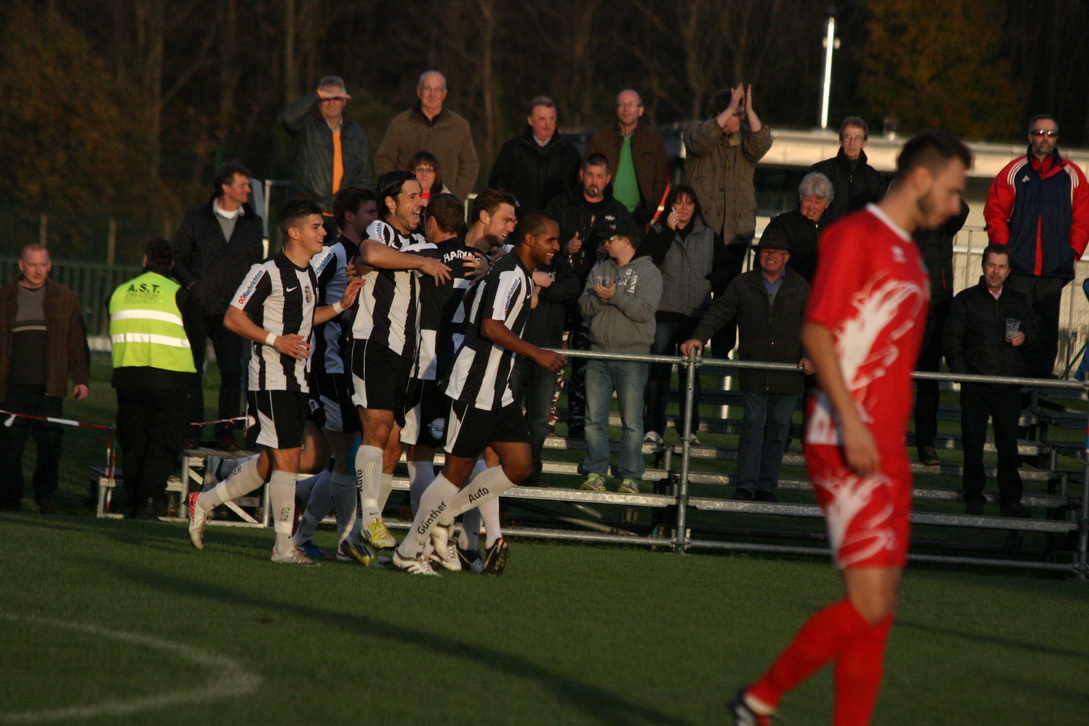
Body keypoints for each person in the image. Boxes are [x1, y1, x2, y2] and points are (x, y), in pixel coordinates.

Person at [729, 130, 972, 726]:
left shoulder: (913, 255)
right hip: (846, 438)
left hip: (884, 446)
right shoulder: (856, 235)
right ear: (920, 179)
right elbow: (817, 332)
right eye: (952, 188)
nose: (956, 204)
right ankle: (758, 699)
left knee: (880, 610)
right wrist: (856, 425)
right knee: (868, 601)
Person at [187, 198, 364, 564]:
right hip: (270, 378)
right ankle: (284, 547)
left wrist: (341, 306)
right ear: (294, 232)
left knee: (271, 462)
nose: (323, 233)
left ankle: (204, 501)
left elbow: (303, 318)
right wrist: (274, 340)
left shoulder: (308, 273)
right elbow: (234, 318)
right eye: (316, 227)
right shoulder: (265, 270)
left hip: (299, 379)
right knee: (288, 457)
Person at [392, 212, 566, 575]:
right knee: (455, 472)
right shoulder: (508, 273)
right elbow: (490, 326)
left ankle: (447, 515)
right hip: (475, 386)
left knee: (519, 466)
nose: (557, 247)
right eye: (551, 240)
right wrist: (537, 353)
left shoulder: (514, 272)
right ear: (530, 240)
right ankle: (409, 550)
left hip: (497, 390)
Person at [343, 171, 451, 553]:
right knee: (377, 430)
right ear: (391, 202)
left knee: (391, 443)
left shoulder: (418, 242)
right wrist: (419, 264)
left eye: (421, 197)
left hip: (404, 351)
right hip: (371, 342)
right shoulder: (379, 229)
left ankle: (356, 534)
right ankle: (371, 519)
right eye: (412, 196)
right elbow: (369, 255)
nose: (420, 202)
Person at [681, 237, 811, 502]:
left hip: (788, 374)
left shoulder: (800, 286)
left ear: (787, 256)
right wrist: (700, 337)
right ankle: (746, 484)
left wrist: (810, 356)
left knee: (778, 431)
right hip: (754, 369)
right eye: (766, 251)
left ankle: (767, 487)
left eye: (777, 251)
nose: (770, 256)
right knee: (752, 428)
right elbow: (720, 312)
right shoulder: (743, 283)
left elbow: (813, 324)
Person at [288, 186, 379, 562]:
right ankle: (343, 540)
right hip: (331, 365)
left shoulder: (369, 254)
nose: (376, 217)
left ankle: (322, 535)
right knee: (344, 455)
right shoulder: (335, 253)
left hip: (355, 364)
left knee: (340, 456)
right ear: (350, 217)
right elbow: (305, 287)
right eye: (370, 211)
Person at [984, 114, 1089, 377]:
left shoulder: (1072, 175)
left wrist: (1072, 253)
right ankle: (1011, 383)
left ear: (1057, 139)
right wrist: (1003, 251)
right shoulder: (1014, 171)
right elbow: (995, 212)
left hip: (1053, 271)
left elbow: (1083, 218)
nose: (1045, 138)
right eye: (1040, 133)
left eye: (1051, 134)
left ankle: (1039, 386)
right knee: (1013, 326)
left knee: (1045, 332)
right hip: (1018, 268)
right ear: (1030, 136)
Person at [172, 161, 264, 449]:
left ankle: (226, 432)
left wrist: (247, 300)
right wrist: (194, 287)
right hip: (199, 307)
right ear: (226, 187)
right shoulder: (196, 218)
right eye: (242, 184)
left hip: (232, 311)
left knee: (232, 373)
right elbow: (178, 256)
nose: (248, 189)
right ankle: (192, 429)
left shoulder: (253, 222)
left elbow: (256, 265)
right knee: (193, 371)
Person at [545, 154, 637, 438]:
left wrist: (608, 253)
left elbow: (632, 251)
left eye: (600, 176)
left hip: (595, 300)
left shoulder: (618, 212)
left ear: (608, 179)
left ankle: (577, 421)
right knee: (554, 358)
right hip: (559, 294)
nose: (594, 181)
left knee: (585, 364)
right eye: (590, 175)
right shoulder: (560, 204)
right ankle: (546, 417)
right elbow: (539, 239)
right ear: (581, 175)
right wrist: (563, 246)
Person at [108, 240, 200, 519]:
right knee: (162, 443)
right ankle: (148, 501)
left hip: (127, 379)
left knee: (134, 442)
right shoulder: (180, 295)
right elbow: (196, 341)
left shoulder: (119, 292)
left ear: (145, 260)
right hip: (169, 381)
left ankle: (133, 500)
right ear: (171, 264)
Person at [943, 244, 1036, 518]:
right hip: (976, 384)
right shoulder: (965, 299)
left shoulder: (1019, 301)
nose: (995, 272)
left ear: (1008, 270)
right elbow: (951, 340)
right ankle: (974, 495)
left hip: (1008, 384)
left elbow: (1034, 332)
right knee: (973, 444)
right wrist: (964, 374)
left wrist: (1025, 338)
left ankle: (1011, 499)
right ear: (983, 266)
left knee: (1008, 445)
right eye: (991, 265)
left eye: (1001, 267)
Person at [0, 244, 90, 513]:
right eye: (32, 264)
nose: (37, 270)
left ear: (49, 266)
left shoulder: (65, 298)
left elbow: (76, 342)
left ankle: (45, 496)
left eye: (42, 265)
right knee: (9, 447)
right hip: (11, 387)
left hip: (50, 388)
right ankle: (8, 499)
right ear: (21, 265)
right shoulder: (4, 297)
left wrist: (81, 380)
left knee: (50, 444)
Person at [684, 83, 772, 347]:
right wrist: (728, 110)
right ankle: (690, 343)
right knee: (695, 292)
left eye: (741, 114)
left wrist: (749, 109)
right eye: (735, 113)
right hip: (702, 232)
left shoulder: (745, 143)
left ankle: (722, 350)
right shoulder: (699, 134)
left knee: (730, 294)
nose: (740, 118)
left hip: (735, 233)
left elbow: (762, 141)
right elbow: (699, 141)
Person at [578, 227, 662, 494]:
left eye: (611, 239)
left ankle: (631, 476)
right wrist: (601, 299)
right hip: (598, 353)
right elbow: (583, 307)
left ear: (626, 241)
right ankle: (595, 473)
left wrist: (615, 296)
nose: (606, 243)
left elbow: (645, 312)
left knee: (632, 422)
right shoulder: (599, 268)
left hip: (632, 356)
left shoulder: (650, 273)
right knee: (593, 419)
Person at [640, 184, 720, 446]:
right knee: (658, 372)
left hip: (696, 313)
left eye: (689, 203)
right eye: (679, 202)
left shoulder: (708, 235)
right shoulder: (659, 232)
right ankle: (653, 427)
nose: (684, 208)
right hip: (664, 310)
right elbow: (648, 261)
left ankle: (690, 429)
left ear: (696, 207)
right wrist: (668, 233)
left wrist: (708, 283)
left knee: (691, 374)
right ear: (671, 206)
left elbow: (723, 270)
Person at [912, 199, 969, 466]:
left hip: (937, 304)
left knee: (928, 378)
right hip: (905, 304)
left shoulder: (944, 216)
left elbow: (963, 209)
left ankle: (926, 443)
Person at [280, 75, 374, 227]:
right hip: (307, 211)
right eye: (326, 98)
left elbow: (364, 176)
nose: (331, 103)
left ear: (344, 101)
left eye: (336, 97)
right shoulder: (307, 126)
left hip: (342, 215)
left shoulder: (357, 133)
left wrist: (358, 211)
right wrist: (316, 94)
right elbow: (287, 119)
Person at [374, 70, 479, 200]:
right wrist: (397, 191)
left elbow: (470, 165)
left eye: (437, 90)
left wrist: (455, 196)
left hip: (444, 205)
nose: (432, 94)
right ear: (419, 91)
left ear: (444, 93)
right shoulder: (400, 124)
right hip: (406, 204)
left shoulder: (459, 126)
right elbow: (384, 160)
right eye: (427, 89)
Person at [585, 89, 670, 225]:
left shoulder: (654, 140)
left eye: (631, 104)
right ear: (616, 109)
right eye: (621, 104)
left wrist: (650, 208)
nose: (626, 109)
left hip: (639, 216)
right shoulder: (600, 138)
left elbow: (661, 178)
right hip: (603, 213)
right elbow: (584, 172)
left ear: (641, 110)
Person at [489, 96, 581, 214]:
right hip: (519, 221)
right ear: (530, 120)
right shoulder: (512, 149)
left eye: (551, 119)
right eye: (542, 119)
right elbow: (497, 183)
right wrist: (512, 205)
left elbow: (575, 189)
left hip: (555, 222)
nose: (548, 124)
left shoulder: (569, 153)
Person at [760, 172, 835, 284]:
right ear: (800, 199)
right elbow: (763, 259)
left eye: (817, 202)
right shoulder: (781, 224)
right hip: (790, 291)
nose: (811, 207)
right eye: (808, 200)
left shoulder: (835, 227)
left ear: (827, 204)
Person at [809, 117, 887, 225]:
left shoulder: (875, 179)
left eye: (857, 138)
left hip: (859, 239)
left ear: (864, 142)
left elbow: (880, 216)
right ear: (841, 141)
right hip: (828, 237)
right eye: (848, 137)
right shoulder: (820, 171)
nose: (852, 143)